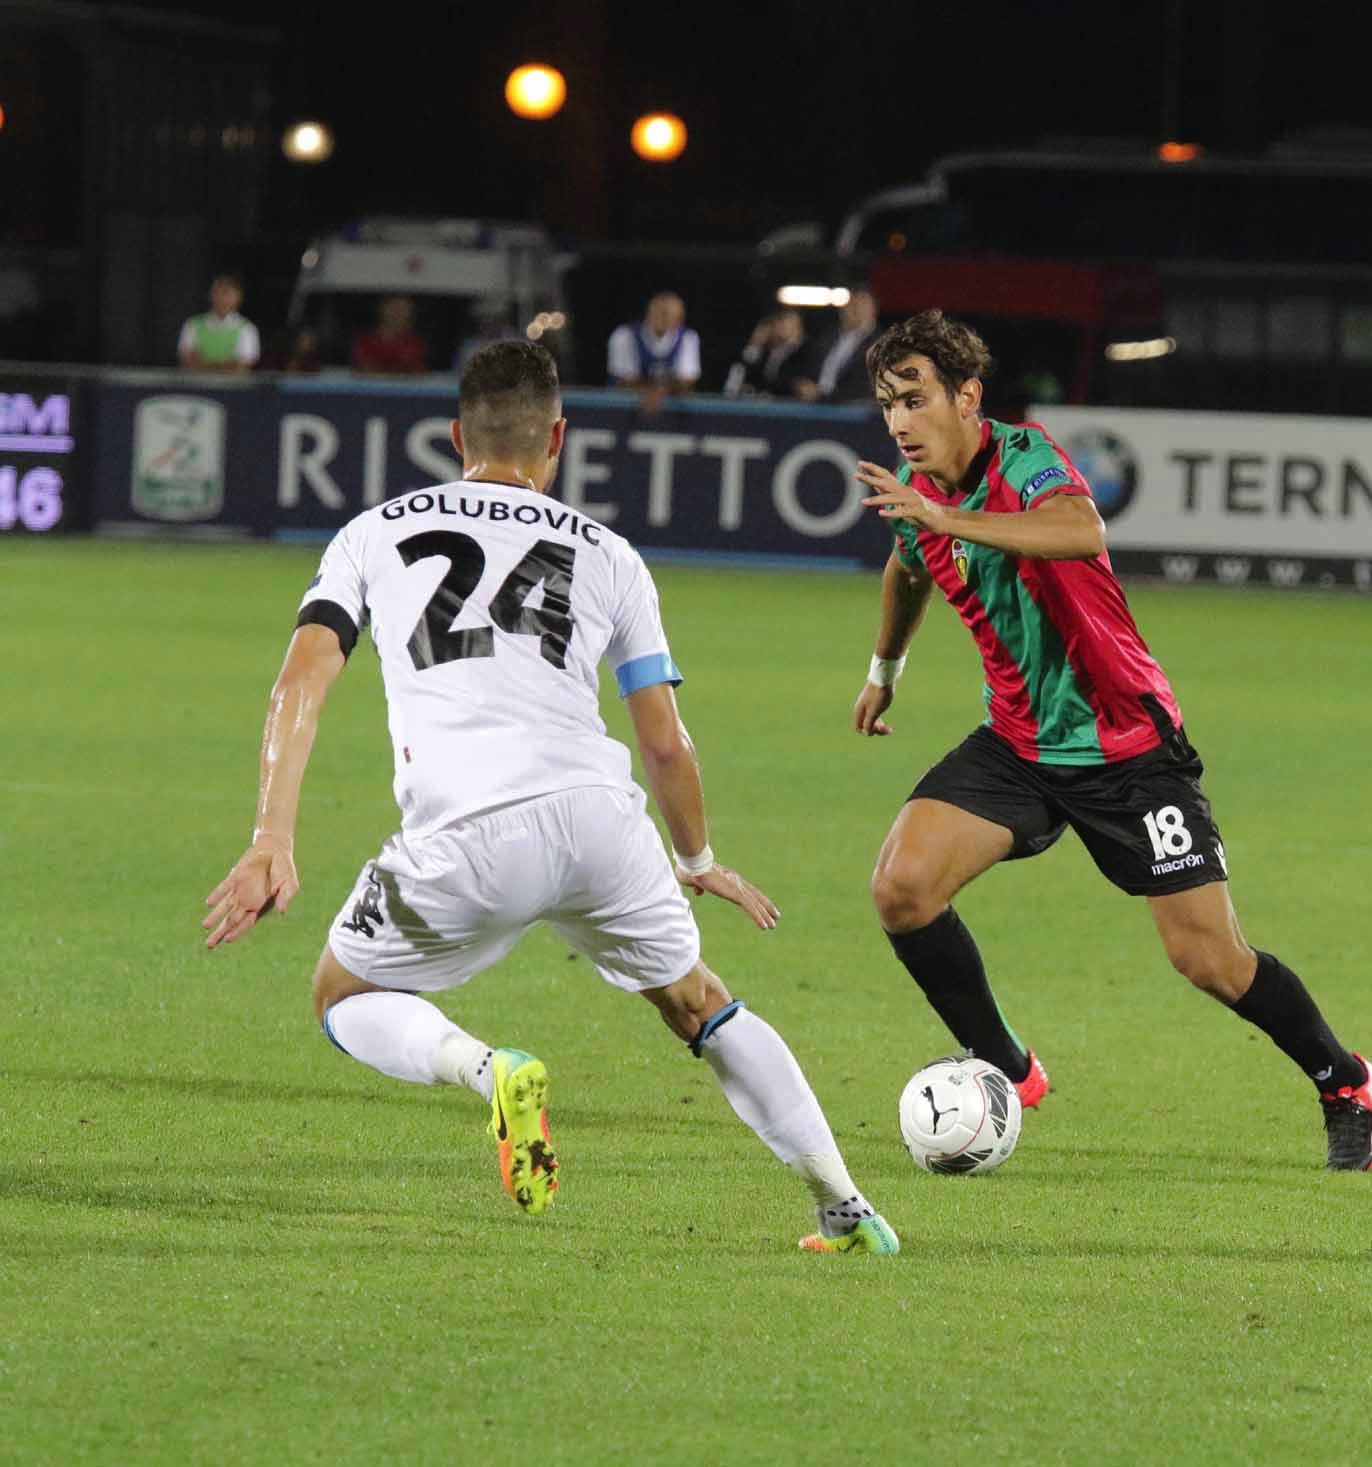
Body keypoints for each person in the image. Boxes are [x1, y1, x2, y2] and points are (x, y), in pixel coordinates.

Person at [200, 340, 899, 1254]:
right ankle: (846, 1205)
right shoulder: (610, 555)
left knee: (342, 991)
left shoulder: (371, 532)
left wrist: (271, 836)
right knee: (697, 1000)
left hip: (468, 828)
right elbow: (664, 740)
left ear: (455, 434)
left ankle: (488, 1067)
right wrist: (695, 859)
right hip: (600, 818)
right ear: (558, 437)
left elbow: (300, 683)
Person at [848, 310, 1372, 1171]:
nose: (901, 422)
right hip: (1019, 744)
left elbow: (1079, 532)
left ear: (968, 395)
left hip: (1128, 747)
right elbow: (908, 565)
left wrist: (947, 521)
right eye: (887, 405)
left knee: (1207, 957)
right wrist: (885, 666)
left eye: (915, 399)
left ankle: (1344, 1078)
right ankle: (1011, 1071)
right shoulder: (918, 505)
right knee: (902, 889)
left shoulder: (1024, 460)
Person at [608, 291, 701, 409]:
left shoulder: (688, 337)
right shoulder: (625, 335)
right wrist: (654, 393)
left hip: (669, 411)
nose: (660, 317)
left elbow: (686, 381)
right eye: (656, 311)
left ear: (679, 319)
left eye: (666, 314)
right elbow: (623, 381)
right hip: (622, 408)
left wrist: (660, 393)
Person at [792, 289, 878, 403]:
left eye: (859, 305)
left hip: (852, 411)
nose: (853, 310)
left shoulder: (880, 344)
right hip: (811, 406)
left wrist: (821, 395)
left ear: (872, 310)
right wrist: (802, 384)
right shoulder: (827, 337)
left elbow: (867, 387)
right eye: (850, 305)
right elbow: (807, 367)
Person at [178, 274, 260, 372]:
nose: (220, 298)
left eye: (226, 293)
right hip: (197, 386)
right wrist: (226, 365)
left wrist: (204, 365)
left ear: (238, 298)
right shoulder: (192, 325)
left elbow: (242, 365)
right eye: (216, 292)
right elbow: (187, 361)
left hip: (233, 387)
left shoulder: (247, 329)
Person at [724, 309, 806, 398]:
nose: (783, 329)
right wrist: (755, 344)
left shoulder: (803, 351)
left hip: (789, 404)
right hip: (757, 403)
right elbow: (741, 372)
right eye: (781, 325)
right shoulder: (765, 351)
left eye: (791, 326)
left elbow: (790, 381)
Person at [351, 295, 429, 376]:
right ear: (383, 310)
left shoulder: (415, 343)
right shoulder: (365, 341)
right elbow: (363, 369)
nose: (400, 315)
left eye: (405, 310)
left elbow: (416, 372)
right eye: (396, 309)